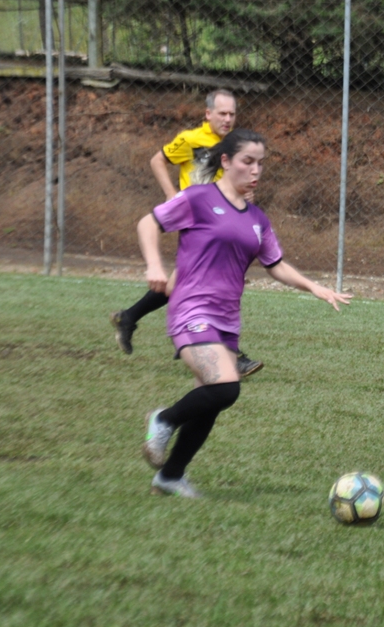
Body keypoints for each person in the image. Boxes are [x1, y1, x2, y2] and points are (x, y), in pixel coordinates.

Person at [137, 129, 352, 497]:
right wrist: (154, 265)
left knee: (210, 399)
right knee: (226, 387)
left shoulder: (257, 219)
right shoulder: (198, 198)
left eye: (260, 164)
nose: (255, 171)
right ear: (225, 162)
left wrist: (314, 287)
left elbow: (276, 264)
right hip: (191, 309)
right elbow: (148, 223)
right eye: (247, 162)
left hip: (226, 320)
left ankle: (170, 476)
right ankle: (163, 419)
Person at [110, 89, 265, 377]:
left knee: (180, 284)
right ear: (208, 114)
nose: (228, 119)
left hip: (223, 223)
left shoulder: (235, 144)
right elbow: (158, 160)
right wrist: (172, 195)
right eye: (222, 113)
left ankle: (131, 318)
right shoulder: (191, 140)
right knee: (208, 282)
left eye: (232, 114)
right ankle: (228, 354)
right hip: (198, 220)